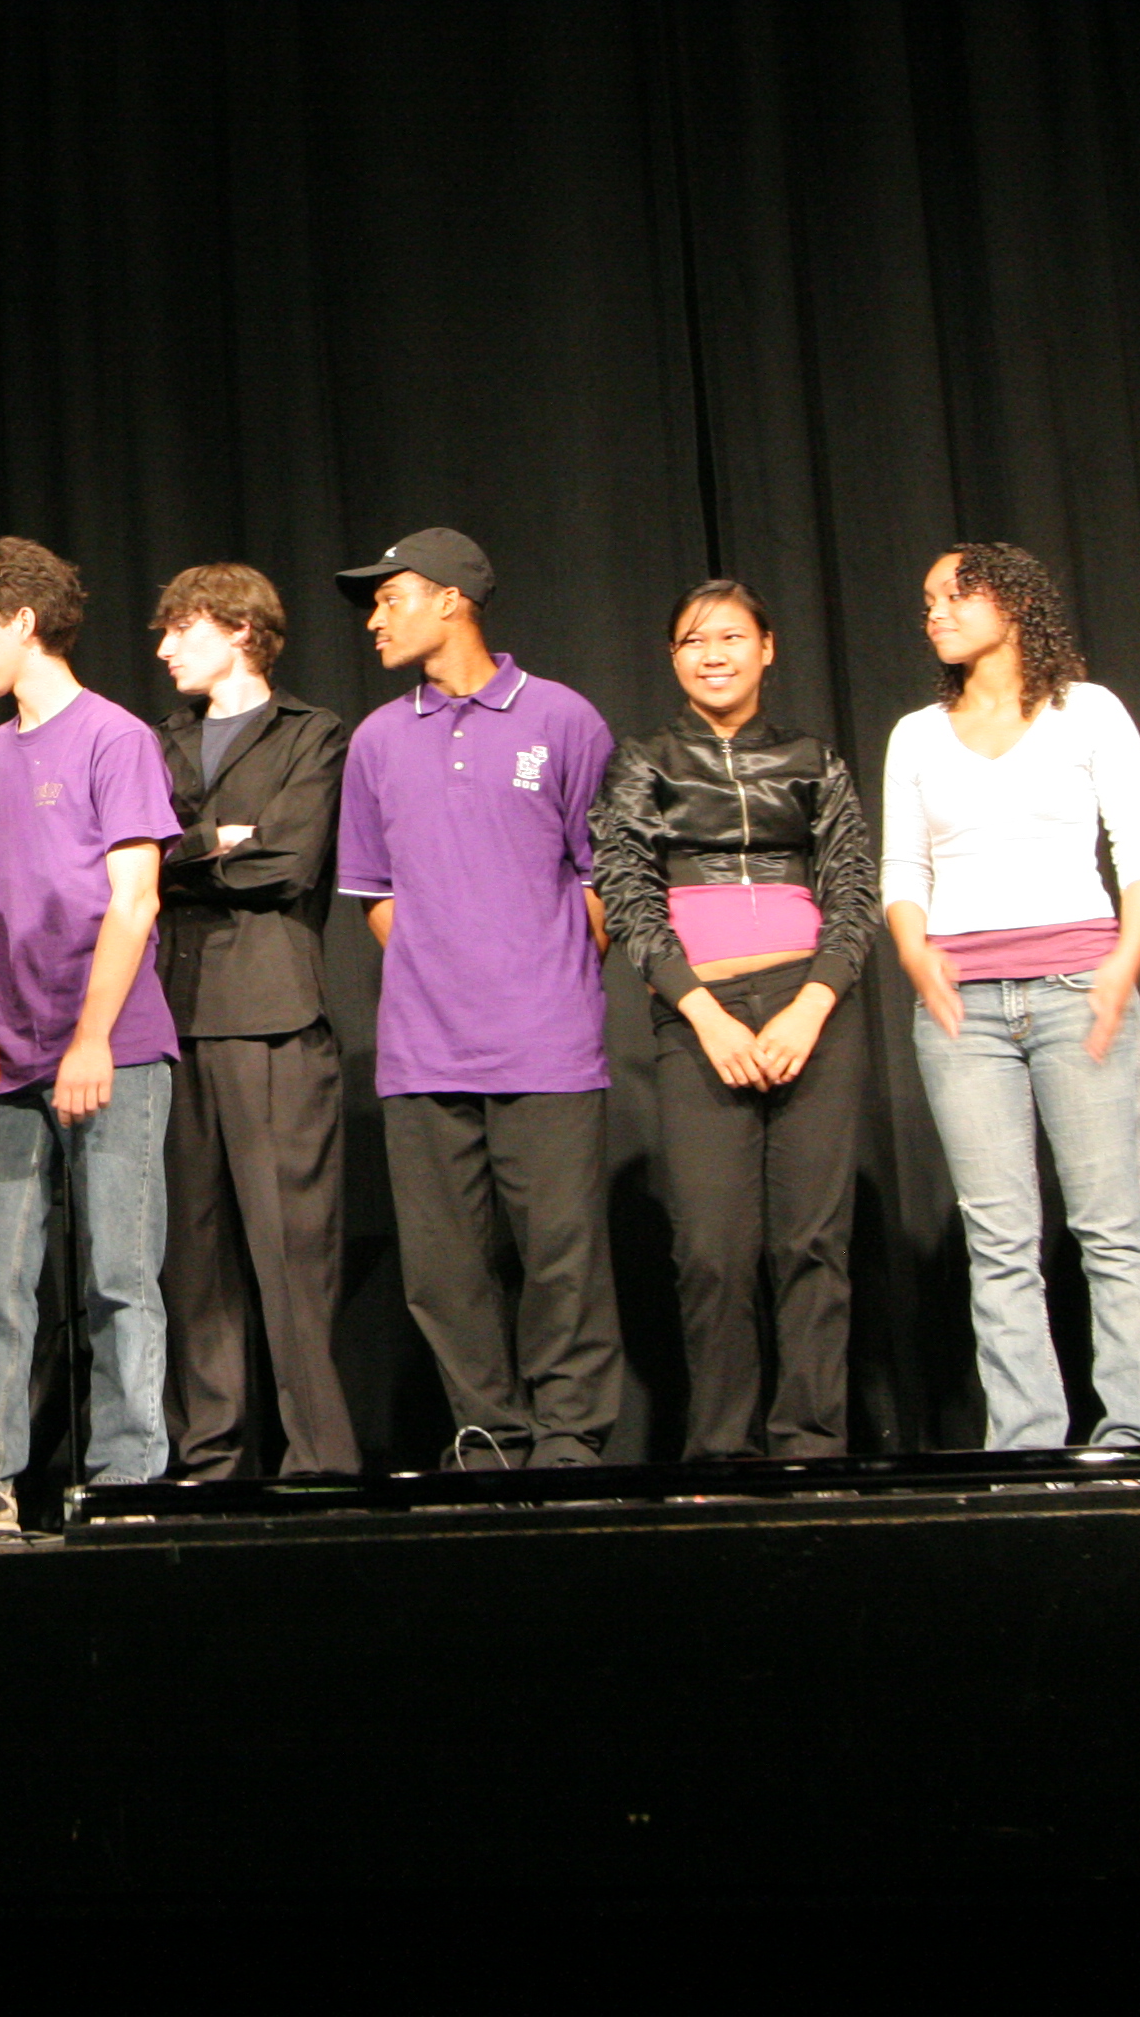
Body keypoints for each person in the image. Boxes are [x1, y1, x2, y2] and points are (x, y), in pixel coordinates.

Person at [0, 537, 180, 1541]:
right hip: (5, 1057)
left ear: (23, 621)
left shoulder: (115, 737)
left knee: (119, 1277)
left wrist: (92, 1037)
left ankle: (128, 1475)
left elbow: (135, 898)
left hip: (114, 1049)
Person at [335, 527, 626, 1468]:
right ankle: (488, 1439)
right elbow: (375, 894)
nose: (375, 620)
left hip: (547, 1042)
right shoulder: (378, 740)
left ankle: (570, 1443)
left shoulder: (563, 719)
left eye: (391, 599)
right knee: (445, 1270)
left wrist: (538, 969)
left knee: (563, 1258)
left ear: (451, 599)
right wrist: (442, 964)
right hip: (424, 1049)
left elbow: (605, 879)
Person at [880, 542, 1140, 1451]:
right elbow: (904, 866)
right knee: (1000, 1240)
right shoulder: (917, 733)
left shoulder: (1088, 711)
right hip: (962, 1009)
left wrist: (1125, 962)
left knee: (1111, 1227)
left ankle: (1134, 1439)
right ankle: (1027, 1445)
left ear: (1012, 603)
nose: (935, 612)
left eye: (955, 594)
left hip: (1079, 988)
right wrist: (915, 954)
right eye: (927, 600)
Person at [592, 579, 877, 1459]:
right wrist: (706, 1016)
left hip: (810, 1010)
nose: (712, 655)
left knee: (812, 1242)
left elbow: (854, 893)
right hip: (698, 1019)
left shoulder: (813, 759)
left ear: (767, 648)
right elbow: (628, 896)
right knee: (712, 1249)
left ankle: (811, 1444)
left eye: (730, 637)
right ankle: (722, 1451)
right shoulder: (644, 761)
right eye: (693, 641)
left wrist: (813, 1005)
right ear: (673, 657)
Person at [151, 562, 359, 1480]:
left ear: (239, 630)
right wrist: (209, 844)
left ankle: (319, 1460)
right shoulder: (158, 741)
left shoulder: (311, 733)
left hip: (270, 1013)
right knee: (192, 1260)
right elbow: (130, 861)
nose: (165, 650)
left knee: (290, 1251)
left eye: (183, 630)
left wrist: (180, 862)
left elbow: (286, 863)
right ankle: (210, 1459)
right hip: (170, 1015)